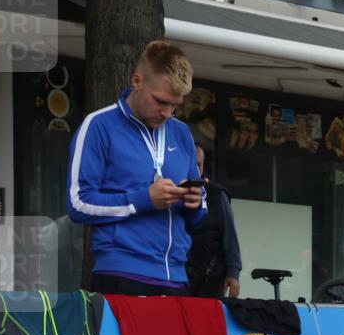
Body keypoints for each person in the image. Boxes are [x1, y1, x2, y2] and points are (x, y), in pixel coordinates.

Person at [66, 40, 206, 296]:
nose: (167, 113)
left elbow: (200, 214)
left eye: (175, 105)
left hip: (176, 277)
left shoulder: (182, 132)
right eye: (161, 101)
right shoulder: (98, 125)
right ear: (137, 81)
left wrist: (195, 203)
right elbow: (78, 203)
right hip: (122, 273)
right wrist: (144, 199)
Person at [186, 144, 242, 298]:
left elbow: (229, 235)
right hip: (177, 274)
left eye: (198, 165)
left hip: (208, 278)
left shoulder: (216, 194)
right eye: (191, 163)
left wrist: (233, 272)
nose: (195, 169)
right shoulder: (169, 191)